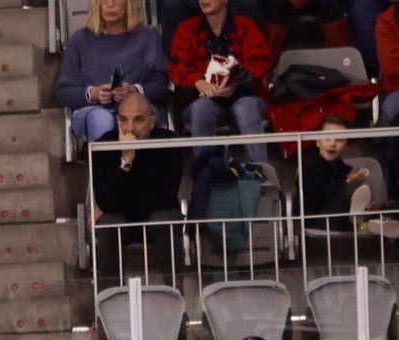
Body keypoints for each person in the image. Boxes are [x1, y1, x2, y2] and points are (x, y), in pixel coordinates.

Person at [88, 93, 186, 285]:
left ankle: (177, 300)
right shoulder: (103, 146)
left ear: (152, 122)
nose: (130, 128)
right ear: (117, 121)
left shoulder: (169, 143)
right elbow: (105, 200)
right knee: (109, 224)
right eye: (124, 120)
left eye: (138, 120)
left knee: (164, 218)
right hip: (122, 221)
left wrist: (115, 203)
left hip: (157, 218)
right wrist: (126, 162)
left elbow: (165, 197)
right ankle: (110, 301)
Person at [167, 0, 272, 162]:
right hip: (201, 98)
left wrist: (235, 82)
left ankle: (263, 179)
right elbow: (177, 68)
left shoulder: (246, 26)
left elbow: (260, 63)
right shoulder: (187, 29)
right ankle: (205, 179)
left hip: (243, 95)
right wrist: (200, 83)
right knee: (202, 108)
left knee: (246, 107)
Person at [56, 0, 170, 144]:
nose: (110, 4)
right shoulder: (80, 39)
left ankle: (134, 165)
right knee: (101, 120)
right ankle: (106, 166)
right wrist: (93, 93)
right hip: (92, 109)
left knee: (136, 117)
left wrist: (135, 91)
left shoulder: (147, 37)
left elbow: (160, 85)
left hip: (137, 107)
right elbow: (64, 91)